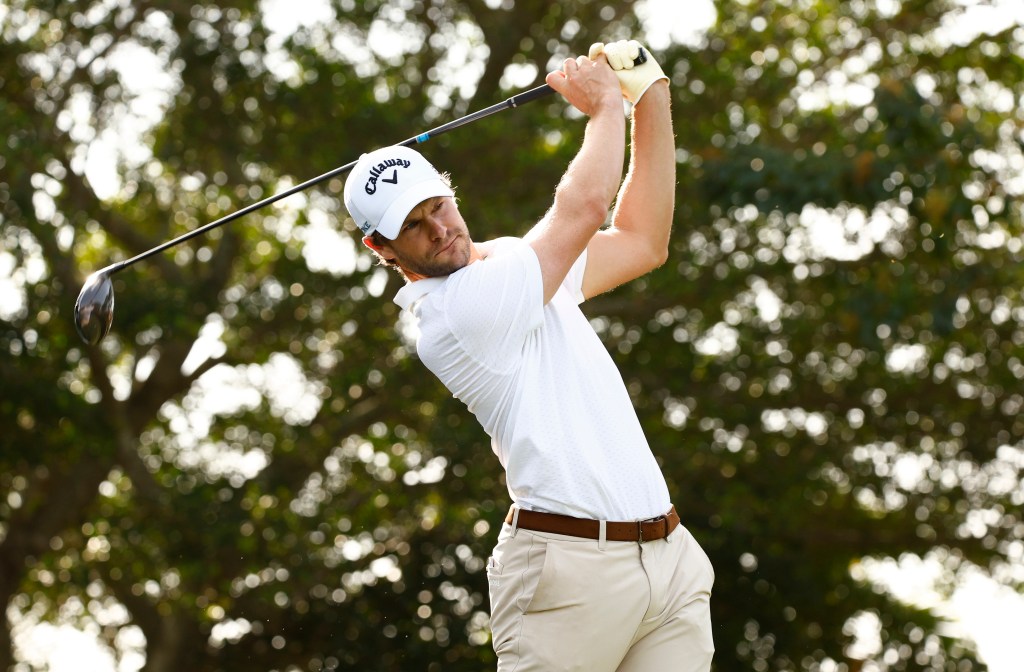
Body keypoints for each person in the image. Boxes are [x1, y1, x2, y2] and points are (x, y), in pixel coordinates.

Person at [343, 40, 714, 672]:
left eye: (439, 206)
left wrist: (650, 95)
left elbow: (641, 239)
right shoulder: (457, 313)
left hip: (667, 558)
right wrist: (602, 111)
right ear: (383, 249)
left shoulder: (516, 266)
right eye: (414, 226)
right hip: (566, 578)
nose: (439, 230)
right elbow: (585, 207)